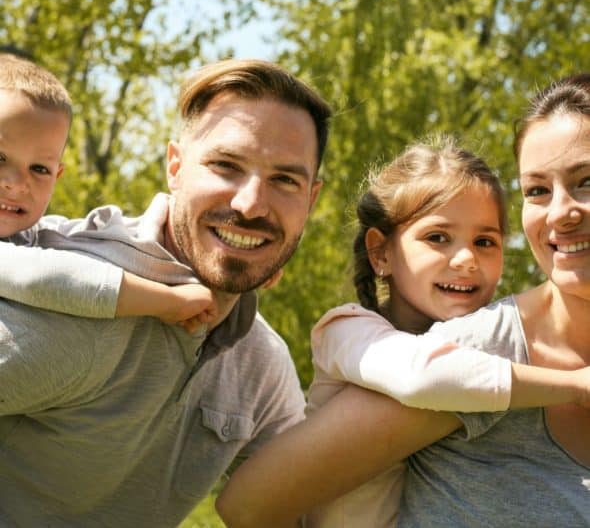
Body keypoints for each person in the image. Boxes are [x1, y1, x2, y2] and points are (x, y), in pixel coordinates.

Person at [0, 57, 331, 527]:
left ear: (311, 199)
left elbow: (305, 515)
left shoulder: (258, 363)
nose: (251, 204)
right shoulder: (74, 304)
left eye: (284, 180)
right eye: (226, 166)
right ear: (175, 167)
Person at [216, 130, 590, 527]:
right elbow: (422, 375)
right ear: (381, 252)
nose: (465, 258)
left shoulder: (468, 341)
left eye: (485, 241)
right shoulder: (348, 332)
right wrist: (576, 386)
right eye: (438, 238)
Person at [0, 51, 216, 329]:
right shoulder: (24, 261)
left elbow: (100, 237)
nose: (15, 183)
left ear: (57, 175)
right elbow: (42, 276)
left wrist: (234, 262)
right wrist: (169, 302)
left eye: (39, 169)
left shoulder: (31, 233)